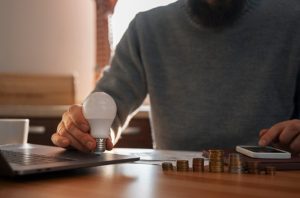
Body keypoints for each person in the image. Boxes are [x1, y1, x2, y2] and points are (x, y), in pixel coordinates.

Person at [51, 0, 300, 153]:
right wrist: (83, 129)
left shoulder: (293, 19)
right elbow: (110, 103)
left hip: (274, 181)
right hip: (174, 184)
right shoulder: (147, 28)